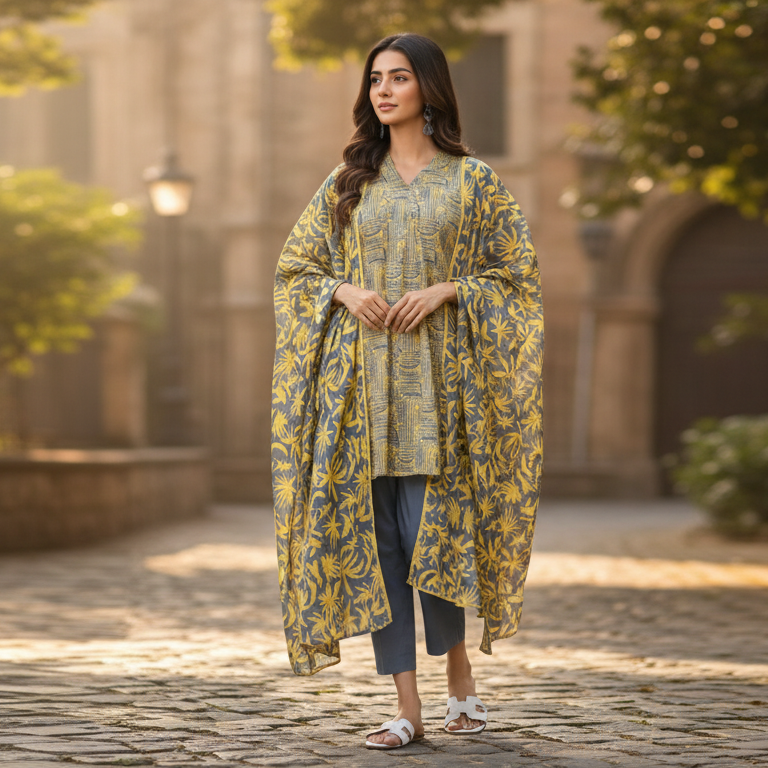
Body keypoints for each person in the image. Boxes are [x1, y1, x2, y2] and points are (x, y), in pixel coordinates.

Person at [271, 32, 543, 751]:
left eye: (397, 78)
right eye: (374, 80)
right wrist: (343, 290)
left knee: (435, 538)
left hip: (441, 394)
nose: (382, 91)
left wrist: (453, 287)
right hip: (358, 394)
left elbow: (517, 276)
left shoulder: (473, 181)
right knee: (379, 546)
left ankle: (459, 674)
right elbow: (295, 269)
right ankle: (406, 707)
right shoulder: (347, 183)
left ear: (428, 87)